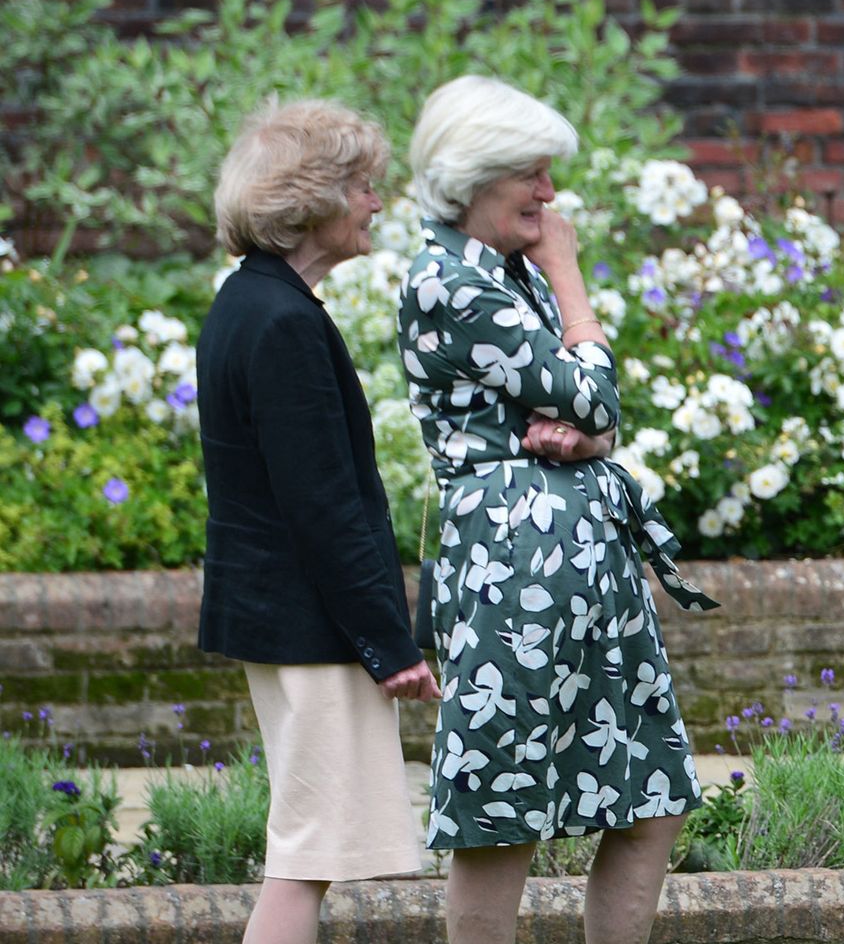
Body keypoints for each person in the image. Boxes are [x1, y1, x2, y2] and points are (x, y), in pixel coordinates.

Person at [397, 74, 717, 944]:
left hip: (584, 570)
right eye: (532, 174)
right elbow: (593, 390)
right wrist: (570, 278)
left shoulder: (502, 271)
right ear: (474, 174)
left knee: (650, 796)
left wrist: (592, 437)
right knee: (501, 816)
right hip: (511, 577)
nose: (549, 194)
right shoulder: (448, 283)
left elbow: (597, 417)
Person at [197, 99, 441, 944]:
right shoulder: (282, 320)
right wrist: (389, 643)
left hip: (290, 621)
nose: (377, 203)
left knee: (309, 853)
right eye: (364, 186)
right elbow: (322, 507)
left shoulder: (248, 303)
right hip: (311, 628)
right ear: (312, 199)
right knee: (303, 860)